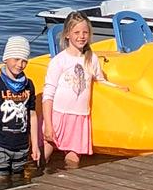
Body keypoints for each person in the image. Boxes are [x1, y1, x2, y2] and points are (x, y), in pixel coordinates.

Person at [42, 11, 127, 167]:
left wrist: (118, 88)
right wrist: (48, 124)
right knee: (46, 151)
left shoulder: (91, 58)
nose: (81, 36)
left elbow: (100, 80)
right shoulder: (59, 61)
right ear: (67, 34)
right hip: (58, 115)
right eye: (76, 32)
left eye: (85, 32)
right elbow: (48, 94)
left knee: (73, 159)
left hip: (79, 117)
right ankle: (37, 177)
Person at [0, 35, 41, 185]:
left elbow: (32, 115)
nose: (20, 64)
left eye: (24, 60)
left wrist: (35, 145)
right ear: (6, 59)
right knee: (0, 182)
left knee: (18, 181)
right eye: (16, 59)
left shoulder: (28, 85)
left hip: (21, 146)